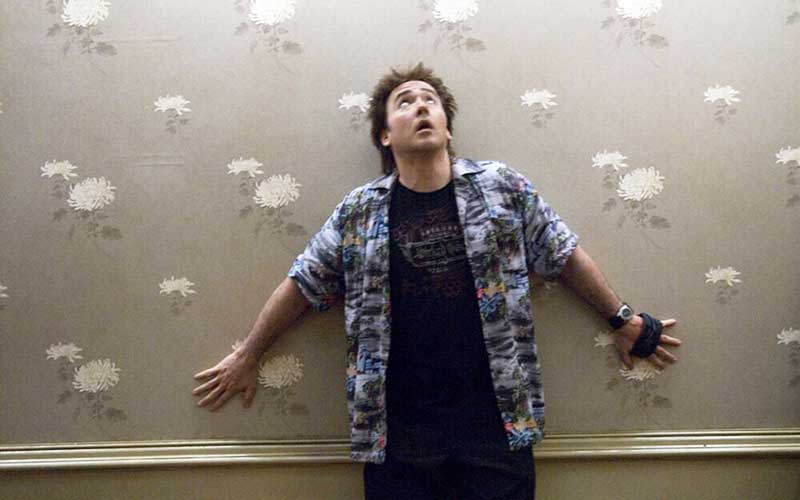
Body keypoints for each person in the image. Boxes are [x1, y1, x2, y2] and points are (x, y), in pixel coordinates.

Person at [192, 63, 682, 499]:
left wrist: (622, 319)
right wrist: (249, 354)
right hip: (396, 432)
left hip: (496, 422)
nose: (421, 107)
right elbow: (304, 283)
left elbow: (563, 253)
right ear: (385, 136)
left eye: (430, 100)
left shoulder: (501, 187)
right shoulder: (360, 211)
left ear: (447, 127)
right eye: (405, 102)